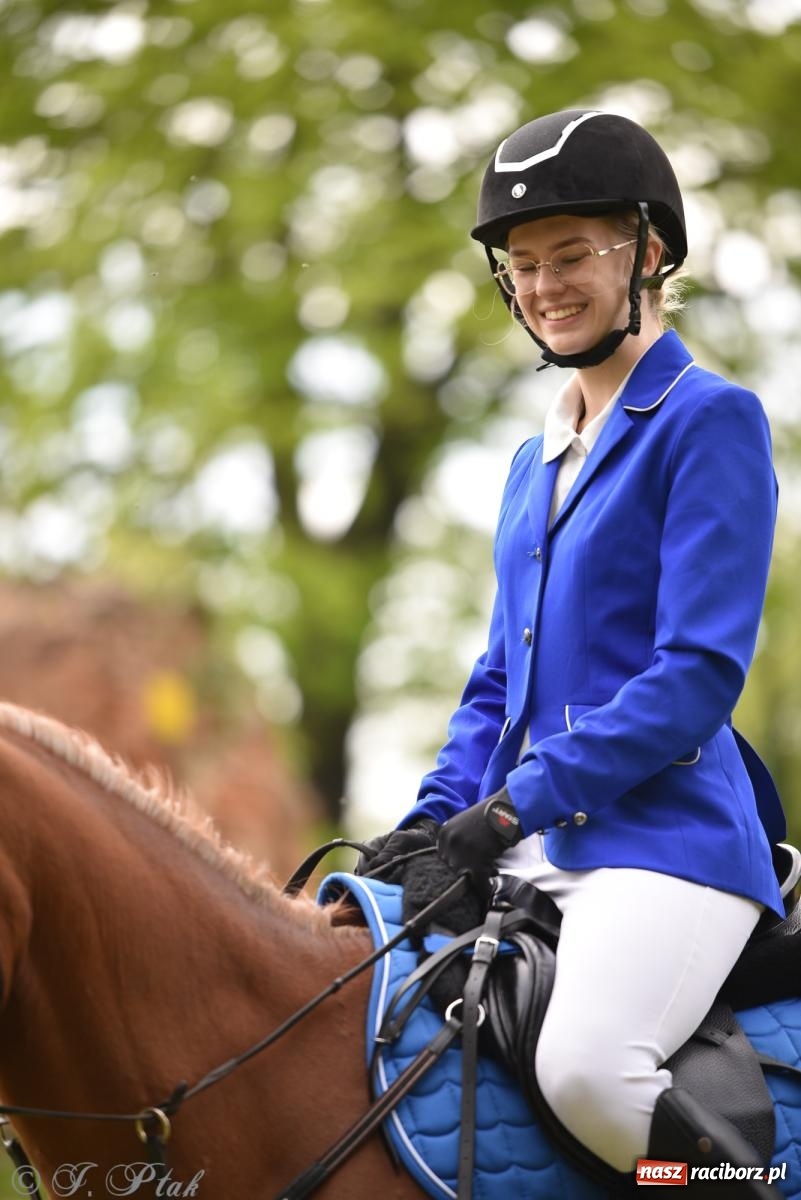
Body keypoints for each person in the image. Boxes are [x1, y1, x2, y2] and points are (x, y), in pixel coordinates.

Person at [359, 109, 786, 1194]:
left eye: (572, 256)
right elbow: (501, 674)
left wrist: (513, 804)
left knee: (591, 1071)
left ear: (646, 254)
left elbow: (694, 677)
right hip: (533, 832)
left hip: (666, 842)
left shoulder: (710, 420)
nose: (544, 285)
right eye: (523, 264)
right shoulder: (529, 462)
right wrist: (431, 813)